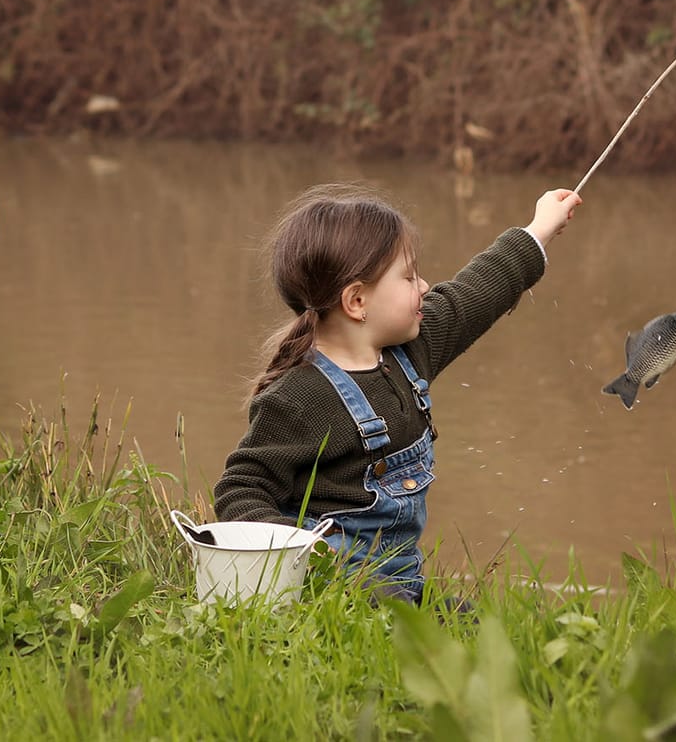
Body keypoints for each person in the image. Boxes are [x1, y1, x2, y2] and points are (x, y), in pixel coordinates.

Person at [213, 183, 581, 601]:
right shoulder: (300, 396)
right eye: (408, 277)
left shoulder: (412, 350)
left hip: (401, 582)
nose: (424, 286)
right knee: (404, 619)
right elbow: (242, 486)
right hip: (333, 589)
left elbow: (473, 294)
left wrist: (539, 229)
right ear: (356, 301)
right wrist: (299, 553)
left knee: (471, 623)